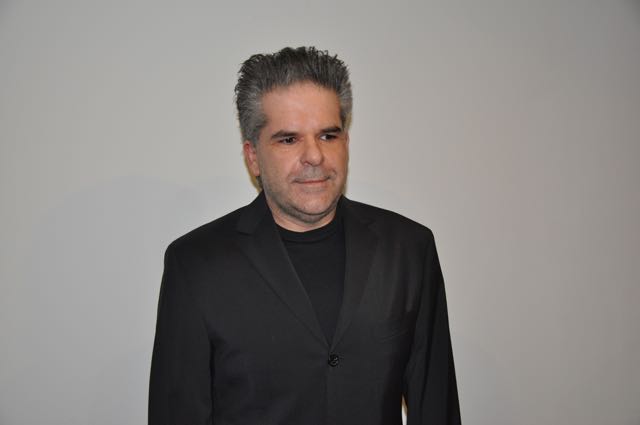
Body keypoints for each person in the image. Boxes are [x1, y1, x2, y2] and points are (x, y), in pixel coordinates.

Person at [149, 46, 461, 425]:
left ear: (346, 143)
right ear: (253, 156)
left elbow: (437, 407)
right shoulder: (195, 264)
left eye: (328, 135)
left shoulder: (409, 250)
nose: (314, 156)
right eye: (289, 139)